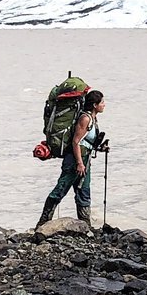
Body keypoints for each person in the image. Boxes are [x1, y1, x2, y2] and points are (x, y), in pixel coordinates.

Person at [38, 89, 108, 227]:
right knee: (61, 189)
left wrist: (100, 148)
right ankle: (42, 223)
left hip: (84, 160)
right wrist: (79, 163)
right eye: (102, 102)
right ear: (95, 105)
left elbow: (85, 142)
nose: (104, 105)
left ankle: (85, 226)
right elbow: (76, 141)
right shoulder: (85, 118)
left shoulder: (93, 118)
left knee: (84, 191)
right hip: (74, 161)